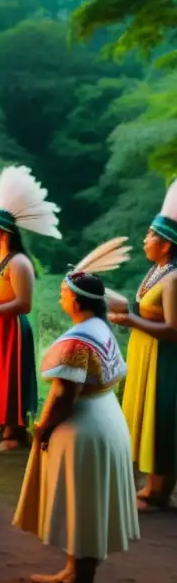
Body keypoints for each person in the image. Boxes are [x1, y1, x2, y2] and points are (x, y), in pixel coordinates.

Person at [14, 245, 139, 583]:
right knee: (84, 502)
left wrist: (43, 427)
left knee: (83, 502)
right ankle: (73, 572)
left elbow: (64, 395)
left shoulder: (76, 341)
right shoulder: (99, 327)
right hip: (105, 418)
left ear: (75, 300)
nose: (60, 296)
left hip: (85, 426)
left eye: (63, 293)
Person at [0, 166, 60, 452]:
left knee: (9, 377)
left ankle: (14, 431)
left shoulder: (19, 263)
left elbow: (24, 303)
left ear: (4, 233)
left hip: (9, 328)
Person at [110, 179, 177, 511]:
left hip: (165, 359)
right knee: (144, 414)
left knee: (162, 417)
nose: (144, 240)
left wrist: (131, 321)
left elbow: (174, 330)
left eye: (150, 236)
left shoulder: (174, 278)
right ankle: (150, 485)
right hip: (144, 352)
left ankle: (159, 491)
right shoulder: (157, 270)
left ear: (166, 245)